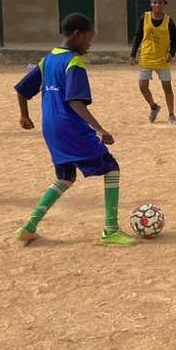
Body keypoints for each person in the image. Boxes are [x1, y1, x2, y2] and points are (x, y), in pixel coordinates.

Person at [14, 13, 136, 246]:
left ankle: (29, 226)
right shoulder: (74, 62)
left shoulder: (48, 60)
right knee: (111, 167)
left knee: (65, 176)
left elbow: (21, 89)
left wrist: (24, 115)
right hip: (70, 127)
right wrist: (99, 129)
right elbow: (75, 101)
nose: (89, 44)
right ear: (77, 34)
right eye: (89, 38)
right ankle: (110, 230)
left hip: (50, 128)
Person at [130, 0, 176, 124]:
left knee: (167, 87)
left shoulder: (168, 21)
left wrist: (171, 53)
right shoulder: (144, 18)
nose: (157, 5)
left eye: (160, 3)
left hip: (162, 59)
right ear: (151, 4)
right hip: (146, 57)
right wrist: (133, 54)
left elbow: (175, 39)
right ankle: (153, 107)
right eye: (155, 2)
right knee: (142, 86)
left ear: (164, 5)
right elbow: (137, 35)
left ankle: (171, 115)